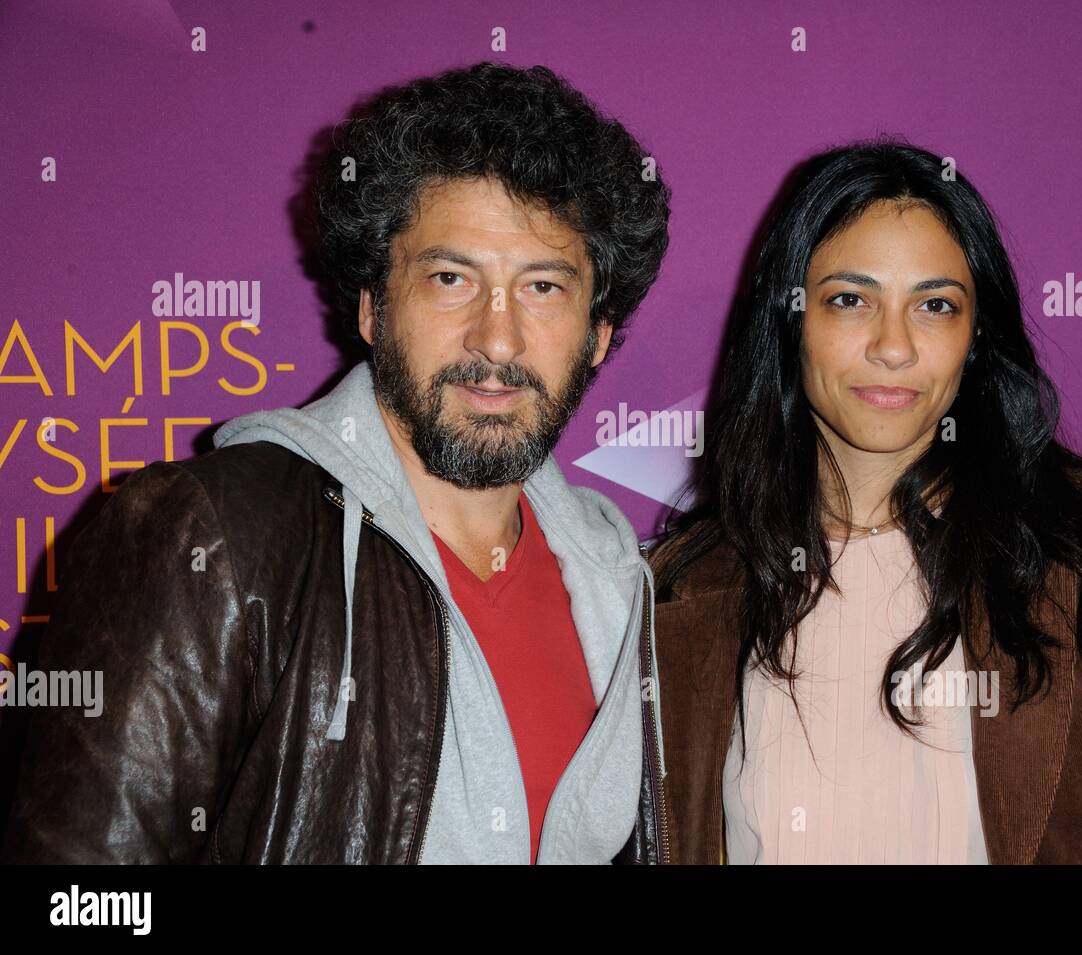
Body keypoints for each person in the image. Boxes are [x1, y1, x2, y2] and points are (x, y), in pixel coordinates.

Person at [1, 61, 671, 864]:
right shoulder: (209, 537)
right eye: (451, 279)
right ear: (372, 307)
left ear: (597, 335)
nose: (497, 339)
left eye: (544, 289)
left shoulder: (620, 580)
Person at [648, 140, 1082, 864]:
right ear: (790, 319)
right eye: (849, 299)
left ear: (976, 334)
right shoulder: (685, 587)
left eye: (934, 305)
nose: (893, 346)